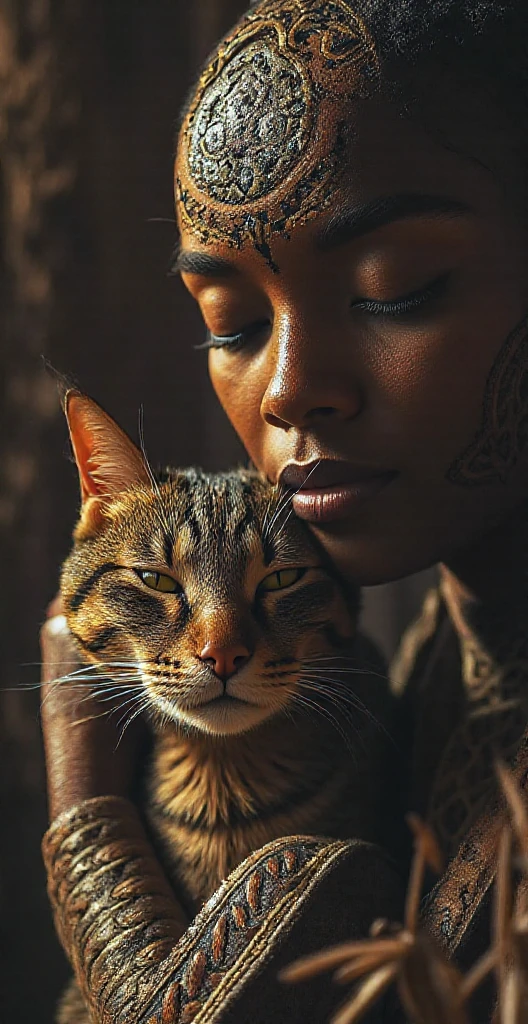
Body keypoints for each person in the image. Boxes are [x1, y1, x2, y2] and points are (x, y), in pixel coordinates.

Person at [40, 0, 528, 1020]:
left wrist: (87, 810)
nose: (286, 391)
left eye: (396, 288)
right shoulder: (446, 643)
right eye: (235, 323)